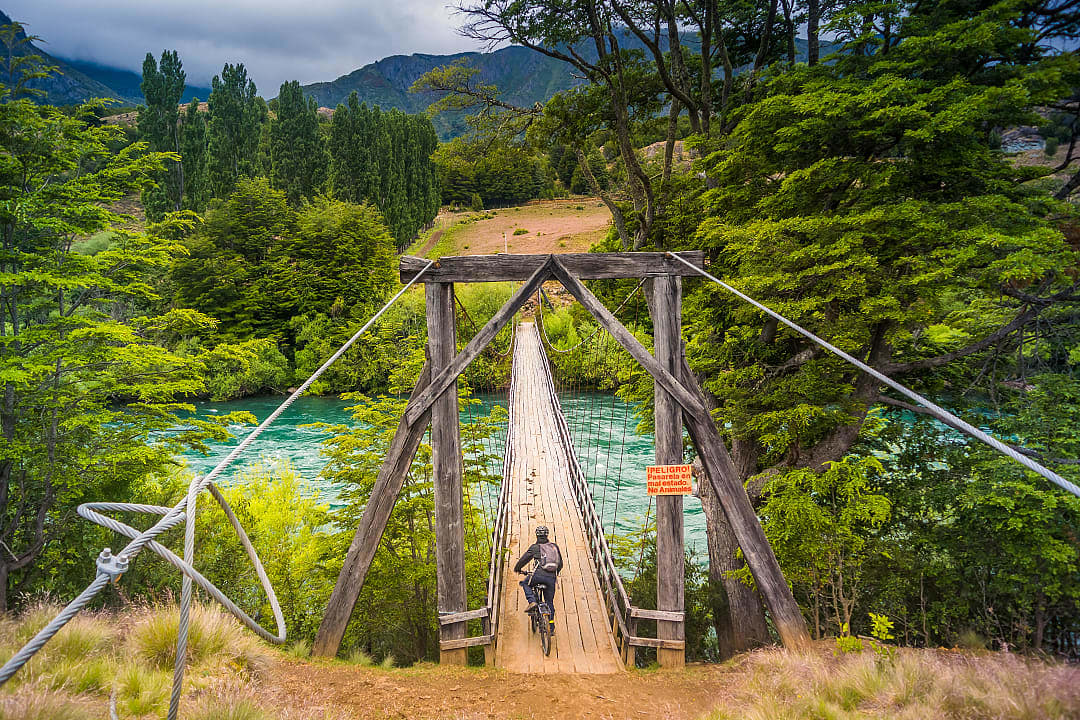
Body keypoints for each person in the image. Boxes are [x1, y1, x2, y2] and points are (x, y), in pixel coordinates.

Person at [514, 525, 563, 632]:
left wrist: (517, 569)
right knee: (549, 601)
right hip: (551, 578)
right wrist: (554, 574)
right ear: (547, 535)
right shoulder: (554, 546)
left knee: (525, 583)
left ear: (537, 535)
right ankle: (551, 626)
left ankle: (532, 601)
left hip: (538, 576)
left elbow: (523, 560)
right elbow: (560, 564)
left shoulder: (535, 547)